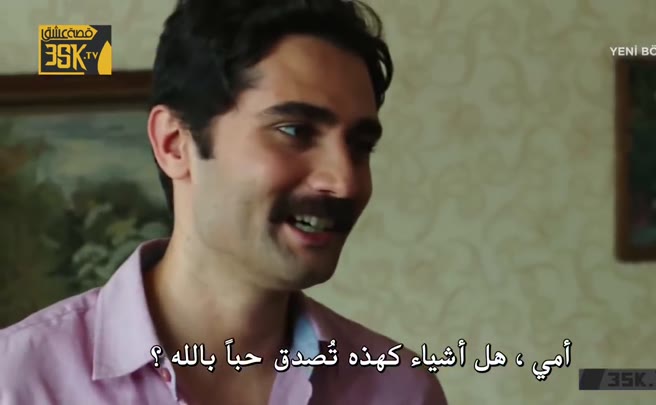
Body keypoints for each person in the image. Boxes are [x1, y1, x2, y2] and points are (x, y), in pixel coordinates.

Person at [0, 0, 447, 404]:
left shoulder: (401, 389)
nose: (345, 182)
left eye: (360, 146)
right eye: (295, 131)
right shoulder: (17, 381)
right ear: (175, 144)